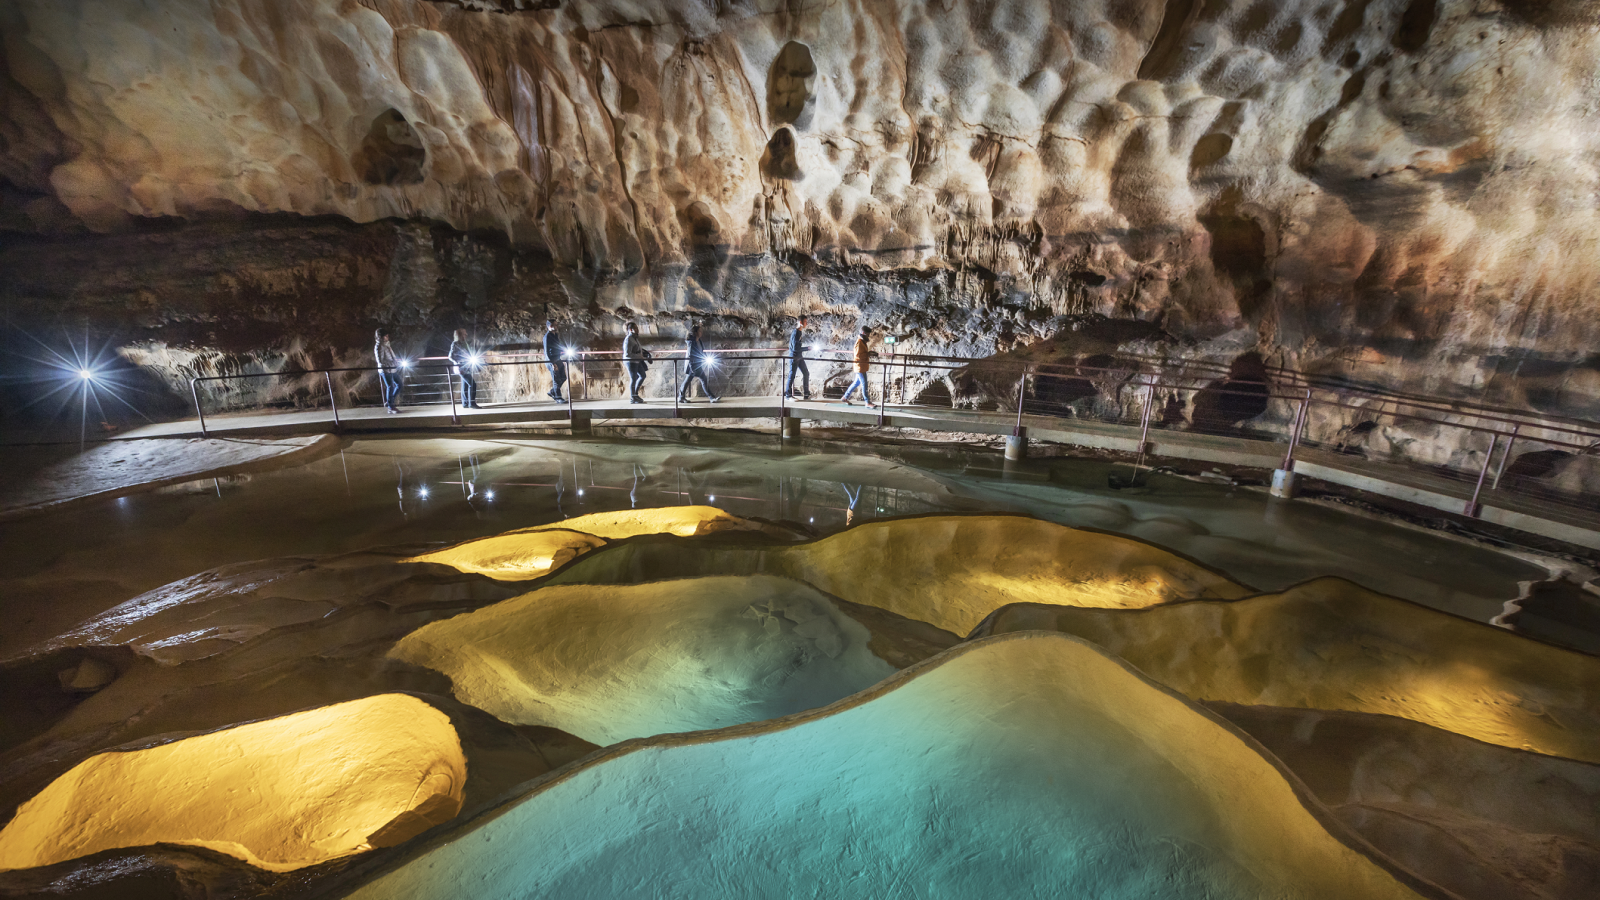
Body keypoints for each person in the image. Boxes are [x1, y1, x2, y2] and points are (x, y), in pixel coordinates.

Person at [679, 323, 720, 403]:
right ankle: (711, 397)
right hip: (693, 366)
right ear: (696, 332)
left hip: (697, 365)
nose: (701, 332)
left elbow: (701, 351)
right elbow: (690, 356)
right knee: (696, 380)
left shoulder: (698, 341)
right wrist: (692, 368)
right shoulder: (691, 343)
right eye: (700, 331)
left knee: (690, 380)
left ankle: (681, 397)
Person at [447, 329, 481, 409]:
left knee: (465, 384)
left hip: (466, 367)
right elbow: (450, 356)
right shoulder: (455, 344)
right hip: (460, 368)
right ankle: (471, 403)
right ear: (460, 335)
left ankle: (465, 403)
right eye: (464, 334)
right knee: (472, 384)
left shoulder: (465, 343)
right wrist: (458, 362)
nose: (466, 335)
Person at [839, 327, 873, 405]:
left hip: (861, 366)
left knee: (856, 383)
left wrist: (868, 354)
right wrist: (868, 354)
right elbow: (858, 356)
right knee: (864, 384)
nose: (868, 336)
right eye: (868, 334)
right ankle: (867, 402)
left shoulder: (862, 342)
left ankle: (845, 397)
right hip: (860, 367)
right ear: (864, 333)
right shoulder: (859, 343)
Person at [374, 327, 403, 414]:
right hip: (386, 370)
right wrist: (393, 363)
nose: (387, 337)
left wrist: (396, 361)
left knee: (399, 384)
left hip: (392, 369)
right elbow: (381, 361)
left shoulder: (386, 344)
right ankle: (391, 407)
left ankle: (390, 402)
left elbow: (390, 356)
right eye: (386, 336)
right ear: (381, 337)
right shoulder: (379, 346)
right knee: (390, 387)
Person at [623, 321, 651, 403]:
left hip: (637, 361)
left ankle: (635, 394)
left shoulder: (635, 338)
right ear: (631, 330)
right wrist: (640, 356)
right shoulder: (628, 339)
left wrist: (644, 355)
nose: (637, 329)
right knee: (633, 379)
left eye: (637, 328)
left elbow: (638, 349)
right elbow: (628, 353)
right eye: (635, 328)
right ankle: (633, 398)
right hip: (631, 362)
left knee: (642, 375)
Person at [785, 315, 811, 400]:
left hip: (799, 356)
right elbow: (795, 348)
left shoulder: (799, 332)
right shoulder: (795, 333)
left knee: (806, 373)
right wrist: (807, 348)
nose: (806, 323)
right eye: (805, 322)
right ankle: (788, 395)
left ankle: (806, 394)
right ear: (801, 322)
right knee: (792, 375)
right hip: (794, 357)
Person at [542, 320, 567, 402]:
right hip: (551, 360)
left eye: (556, 324)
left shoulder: (555, 335)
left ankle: (553, 391)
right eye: (554, 325)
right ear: (550, 326)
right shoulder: (547, 337)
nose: (556, 326)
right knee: (556, 379)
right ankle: (558, 397)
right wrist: (552, 363)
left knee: (563, 377)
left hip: (558, 359)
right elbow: (546, 351)